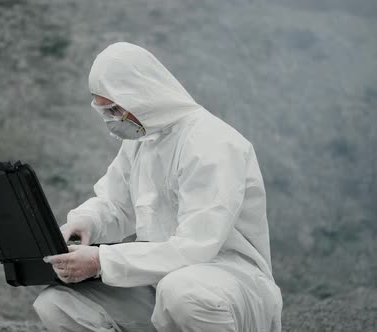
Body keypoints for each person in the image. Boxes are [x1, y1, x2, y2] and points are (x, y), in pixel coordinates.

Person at [33, 42, 283, 332]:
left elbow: (194, 249)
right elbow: (116, 204)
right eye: (104, 111)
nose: (111, 121)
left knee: (183, 292)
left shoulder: (212, 144)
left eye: (114, 109)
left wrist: (102, 261)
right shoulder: (141, 142)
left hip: (228, 283)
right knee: (56, 303)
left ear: (140, 93)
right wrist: (83, 224)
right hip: (160, 281)